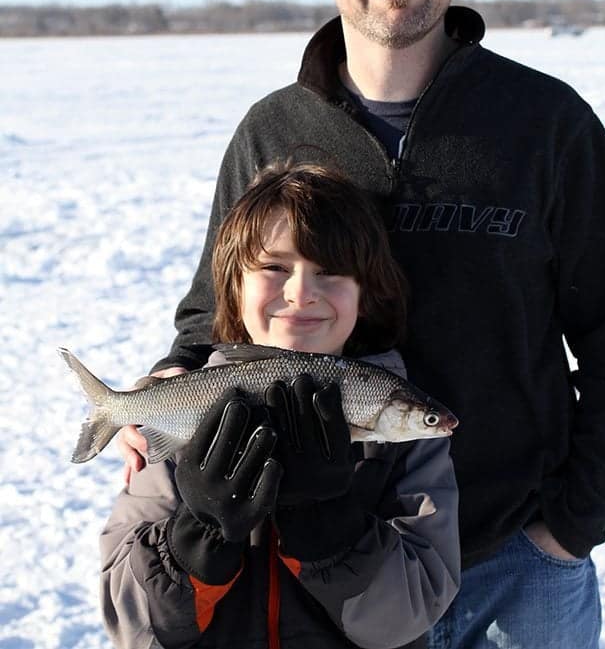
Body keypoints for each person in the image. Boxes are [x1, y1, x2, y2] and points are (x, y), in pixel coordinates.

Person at [119, 0, 605, 648]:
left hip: (519, 564)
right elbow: (210, 319)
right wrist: (164, 403)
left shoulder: (544, 124)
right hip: (334, 567)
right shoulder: (274, 130)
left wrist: (570, 525)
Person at [102, 162, 460, 649]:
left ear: (365, 293)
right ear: (234, 285)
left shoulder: (405, 443)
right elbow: (132, 626)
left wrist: (330, 531)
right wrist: (200, 535)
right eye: (274, 268)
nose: (300, 294)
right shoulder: (187, 406)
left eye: (330, 271)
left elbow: (410, 616)